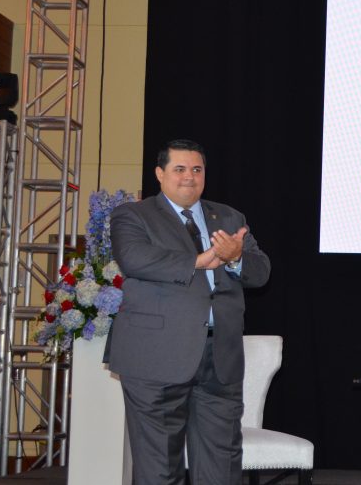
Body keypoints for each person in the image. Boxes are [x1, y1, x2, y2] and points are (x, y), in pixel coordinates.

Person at [107, 139, 271, 484]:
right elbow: (135, 259)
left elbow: (261, 272)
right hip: (156, 356)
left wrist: (236, 258)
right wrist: (198, 261)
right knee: (159, 468)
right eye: (179, 169)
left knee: (220, 464)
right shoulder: (133, 215)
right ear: (160, 174)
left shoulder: (228, 217)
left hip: (219, 356)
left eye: (197, 170)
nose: (189, 177)